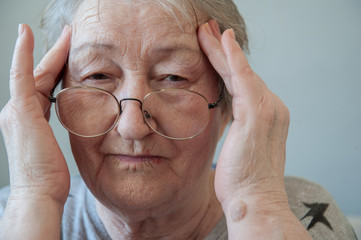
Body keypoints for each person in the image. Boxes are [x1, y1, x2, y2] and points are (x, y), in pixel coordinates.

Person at [0, 0, 357, 239]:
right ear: (54, 99)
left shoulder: (303, 215)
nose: (132, 126)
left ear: (231, 103)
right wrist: (32, 199)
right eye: (96, 76)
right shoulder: (10, 217)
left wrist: (257, 208)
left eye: (174, 77)